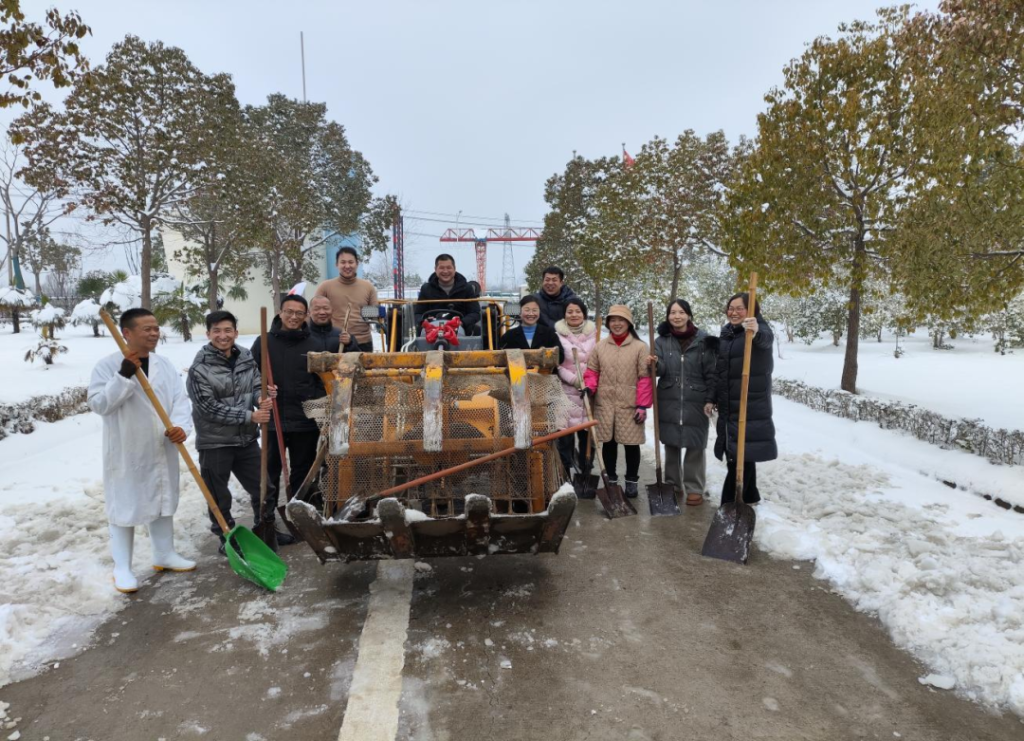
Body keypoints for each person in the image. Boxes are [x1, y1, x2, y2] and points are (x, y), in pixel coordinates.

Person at [88, 308, 195, 593]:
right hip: (128, 449)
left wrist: (181, 426)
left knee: (162, 499)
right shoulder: (107, 365)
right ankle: (122, 567)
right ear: (127, 333)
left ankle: (164, 554)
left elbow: (179, 400)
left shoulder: (164, 364)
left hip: (161, 445)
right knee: (124, 505)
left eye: (156, 328)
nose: (154, 333)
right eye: (146, 328)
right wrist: (123, 376)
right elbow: (99, 405)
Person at [187, 310, 274, 555]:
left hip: (246, 440)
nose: (223, 336)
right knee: (218, 496)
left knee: (264, 487)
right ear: (208, 334)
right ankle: (228, 538)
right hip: (215, 443)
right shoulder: (199, 369)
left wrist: (263, 396)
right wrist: (250, 416)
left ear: (235, 332)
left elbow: (257, 384)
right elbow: (207, 407)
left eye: (228, 330)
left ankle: (263, 531)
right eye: (217, 331)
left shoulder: (245, 357)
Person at [251, 295, 327, 528]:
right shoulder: (263, 342)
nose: (293, 317)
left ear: (306, 316)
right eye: (289, 311)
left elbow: (322, 381)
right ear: (280, 313)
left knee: (303, 470)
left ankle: (299, 514)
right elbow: (252, 376)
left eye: (299, 313)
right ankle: (266, 517)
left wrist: (312, 400)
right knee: (270, 469)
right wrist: (263, 389)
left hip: (304, 419)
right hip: (273, 418)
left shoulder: (314, 344)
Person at [583, 305, 654, 498]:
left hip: (629, 404)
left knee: (632, 445)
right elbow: (592, 372)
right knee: (609, 443)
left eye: (621, 320)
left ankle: (631, 481)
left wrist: (642, 405)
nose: (617, 324)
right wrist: (589, 387)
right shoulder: (600, 347)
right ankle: (611, 479)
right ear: (608, 323)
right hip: (604, 403)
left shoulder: (640, 347)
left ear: (629, 323)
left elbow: (644, 378)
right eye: (613, 320)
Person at [653, 299, 719, 507]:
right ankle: (673, 484)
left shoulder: (704, 340)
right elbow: (659, 371)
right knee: (671, 443)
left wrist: (711, 399)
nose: (676, 316)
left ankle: (694, 487)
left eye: (681, 312)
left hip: (696, 399)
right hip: (668, 397)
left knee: (695, 444)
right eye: (672, 312)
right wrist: (655, 364)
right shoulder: (661, 341)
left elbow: (712, 373)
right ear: (668, 316)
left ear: (689, 315)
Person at [713, 292, 777, 504]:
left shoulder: (758, 329)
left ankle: (729, 503)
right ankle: (750, 495)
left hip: (750, 403)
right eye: (731, 308)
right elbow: (720, 370)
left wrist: (756, 331)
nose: (734, 312)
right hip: (730, 402)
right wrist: (712, 397)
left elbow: (766, 340)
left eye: (740, 308)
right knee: (740, 450)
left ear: (752, 311)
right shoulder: (728, 332)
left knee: (739, 453)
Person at [554, 297, 597, 479]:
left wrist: (588, 382)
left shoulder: (595, 335)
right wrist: (574, 380)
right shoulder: (556, 335)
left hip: (589, 391)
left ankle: (585, 471)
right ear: (564, 314)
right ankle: (566, 474)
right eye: (570, 311)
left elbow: (598, 362)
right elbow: (556, 364)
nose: (574, 315)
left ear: (584, 314)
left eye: (578, 311)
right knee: (565, 437)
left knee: (588, 437)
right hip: (566, 391)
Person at [314, 246, 378, 352]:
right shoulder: (325, 287)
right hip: (335, 342)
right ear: (336, 264)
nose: (347, 266)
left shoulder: (368, 287)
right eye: (343, 262)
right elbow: (315, 312)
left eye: (351, 262)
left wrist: (369, 312)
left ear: (357, 263)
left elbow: (374, 315)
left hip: (362, 343)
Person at [415, 254, 481, 335]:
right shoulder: (426, 289)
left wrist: (462, 322)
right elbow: (418, 313)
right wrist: (424, 321)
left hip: (461, 330)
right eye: (441, 268)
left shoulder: (467, 288)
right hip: (431, 330)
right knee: (416, 331)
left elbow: (475, 313)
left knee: (478, 331)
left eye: (449, 268)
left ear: (454, 269)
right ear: (435, 269)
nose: (445, 271)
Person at [498, 294, 564, 363]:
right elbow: (499, 359)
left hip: (544, 373)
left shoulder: (549, 334)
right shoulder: (509, 336)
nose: (531, 314)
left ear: (539, 312)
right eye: (527, 310)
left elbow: (560, 357)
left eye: (534, 310)